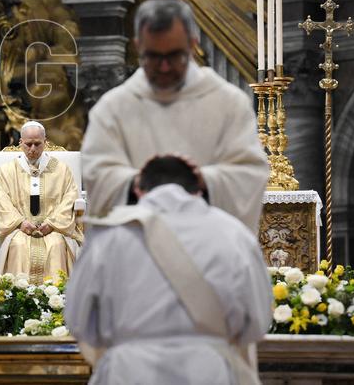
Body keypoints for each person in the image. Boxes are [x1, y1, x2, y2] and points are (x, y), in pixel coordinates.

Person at [64, 155, 272, 385]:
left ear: (138, 189)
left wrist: (122, 344)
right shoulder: (233, 234)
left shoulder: (109, 236)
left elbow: (77, 319)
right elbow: (258, 320)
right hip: (208, 370)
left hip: (129, 371)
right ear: (198, 190)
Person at [81, 0, 269, 229]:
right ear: (138, 46)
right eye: (153, 57)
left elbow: (249, 174)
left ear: (192, 44)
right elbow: (97, 176)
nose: (164, 67)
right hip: (138, 248)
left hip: (208, 247)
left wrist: (203, 180)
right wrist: (136, 183)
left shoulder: (228, 103)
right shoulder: (113, 108)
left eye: (173, 56)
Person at [0, 121, 84, 282]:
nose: (33, 149)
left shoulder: (61, 169)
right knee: (19, 246)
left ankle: (56, 298)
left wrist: (52, 223)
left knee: (56, 245)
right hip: (19, 229)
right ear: (20, 142)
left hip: (54, 229)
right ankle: (16, 299)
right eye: (28, 144)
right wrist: (20, 223)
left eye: (37, 144)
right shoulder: (7, 170)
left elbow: (70, 196)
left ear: (45, 142)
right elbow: (1, 199)